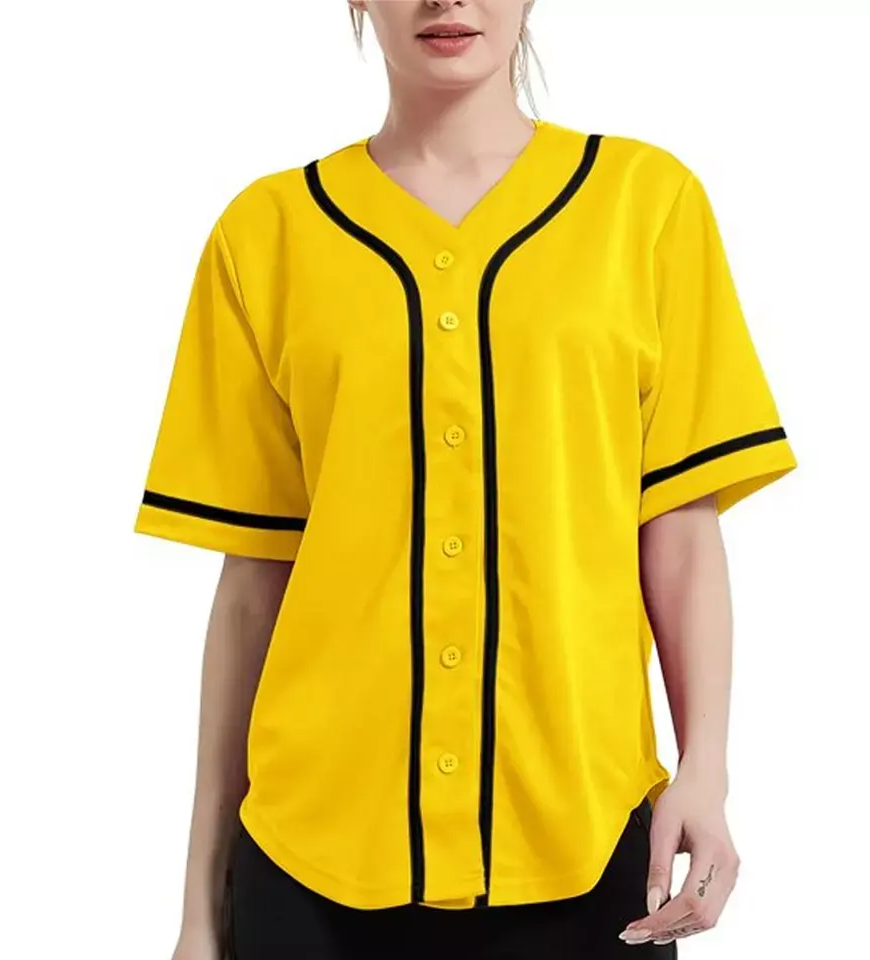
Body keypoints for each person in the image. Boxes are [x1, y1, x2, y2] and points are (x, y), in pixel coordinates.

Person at [133, 1, 797, 957]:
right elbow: (254, 584)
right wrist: (200, 907)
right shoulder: (266, 233)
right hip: (311, 863)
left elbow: (682, 533)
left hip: (585, 842)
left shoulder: (647, 206)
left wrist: (706, 769)